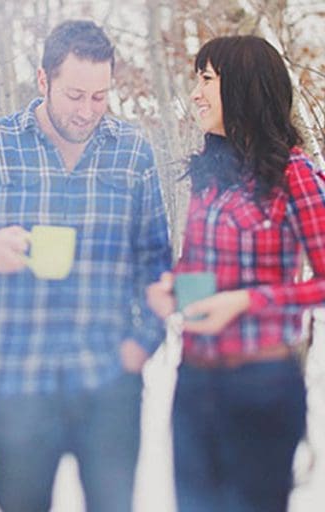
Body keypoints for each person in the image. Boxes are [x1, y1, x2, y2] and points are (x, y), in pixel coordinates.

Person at [0, 19, 171, 512]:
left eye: (100, 97)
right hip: (20, 388)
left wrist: (143, 344)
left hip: (109, 387)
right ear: (42, 80)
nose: (87, 111)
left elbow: (156, 263)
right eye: (75, 95)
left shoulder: (132, 151)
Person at [146, 35, 325, 512]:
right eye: (196, 80)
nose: (195, 93)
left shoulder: (295, 174)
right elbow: (199, 275)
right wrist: (173, 290)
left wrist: (248, 301)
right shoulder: (211, 175)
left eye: (206, 79)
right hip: (194, 384)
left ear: (243, 87)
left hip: (262, 388)